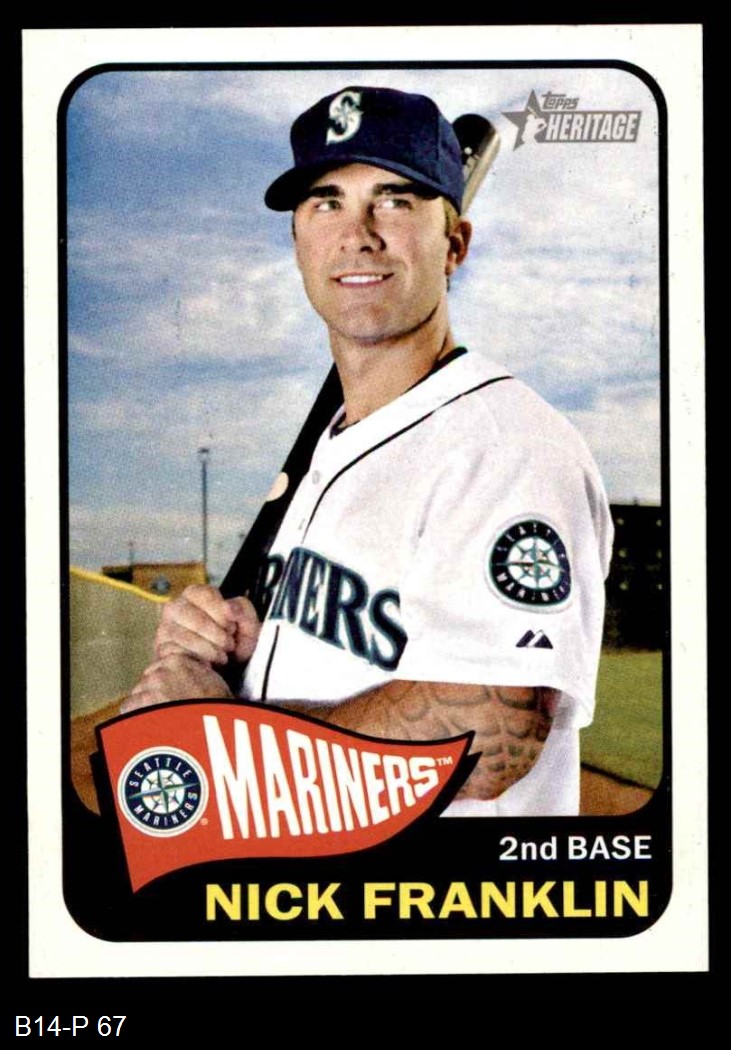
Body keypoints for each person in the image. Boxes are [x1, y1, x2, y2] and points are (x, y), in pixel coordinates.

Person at [122, 86, 613, 816]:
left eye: (394, 201)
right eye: (327, 202)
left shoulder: (507, 446)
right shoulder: (334, 445)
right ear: (298, 242)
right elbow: (341, 655)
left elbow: (491, 739)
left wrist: (222, 732)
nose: (358, 234)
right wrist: (242, 647)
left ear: (455, 246)